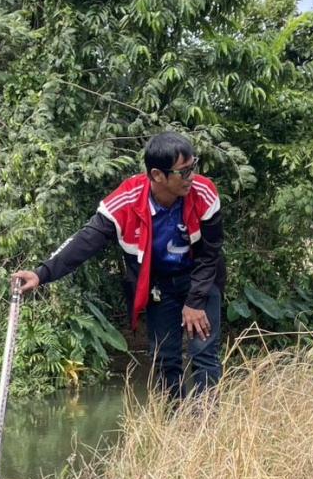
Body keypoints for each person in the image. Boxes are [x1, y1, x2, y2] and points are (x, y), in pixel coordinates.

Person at [12, 132, 225, 399]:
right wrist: (41, 274)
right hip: (158, 286)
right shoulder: (126, 200)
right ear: (158, 175)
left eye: (194, 166)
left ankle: (208, 428)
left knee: (204, 354)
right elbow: (85, 240)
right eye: (184, 172)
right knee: (165, 359)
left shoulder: (203, 192)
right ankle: (176, 427)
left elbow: (210, 253)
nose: (192, 176)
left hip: (200, 280)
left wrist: (195, 302)